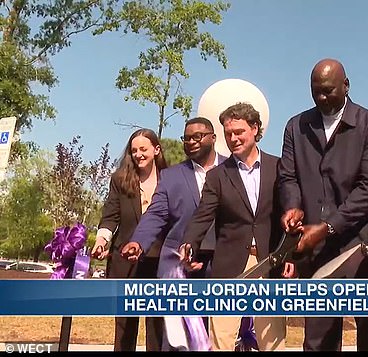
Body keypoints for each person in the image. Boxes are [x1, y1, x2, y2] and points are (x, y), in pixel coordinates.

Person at [278, 58, 368, 351]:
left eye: (328, 91)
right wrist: (293, 206)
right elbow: (288, 176)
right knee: (317, 340)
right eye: (315, 91)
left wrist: (328, 227)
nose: (321, 98)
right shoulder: (296, 126)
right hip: (318, 252)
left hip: (362, 245)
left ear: (346, 85)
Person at [180, 102, 290, 351]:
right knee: (220, 342)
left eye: (239, 132)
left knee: (273, 343)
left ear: (255, 128)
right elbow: (201, 217)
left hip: (269, 264)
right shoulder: (217, 176)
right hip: (229, 267)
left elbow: (289, 213)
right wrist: (189, 243)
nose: (233, 138)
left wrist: (292, 256)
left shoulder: (280, 167)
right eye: (228, 133)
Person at [120, 117, 226, 349]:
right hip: (178, 268)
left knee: (218, 339)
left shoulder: (232, 169)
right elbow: (156, 214)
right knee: (177, 342)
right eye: (186, 138)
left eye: (197, 136)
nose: (191, 142)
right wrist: (138, 242)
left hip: (221, 265)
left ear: (213, 137)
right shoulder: (171, 176)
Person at [91, 128, 168, 351]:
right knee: (124, 327)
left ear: (156, 149)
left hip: (159, 262)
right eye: (134, 150)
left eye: (143, 149)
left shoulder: (171, 179)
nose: (138, 154)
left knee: (157, 327)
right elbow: (110, 216)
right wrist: (101, 241)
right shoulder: (119, 179)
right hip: (124, 262)